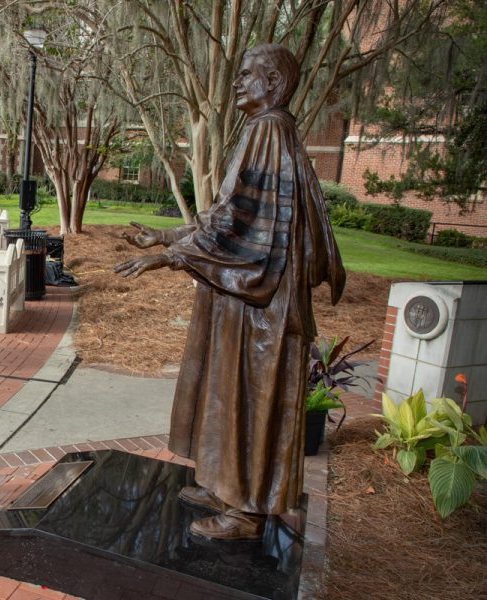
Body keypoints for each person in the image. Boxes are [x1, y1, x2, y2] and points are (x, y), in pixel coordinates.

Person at [114, 44, 345, 541]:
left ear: (276, 84)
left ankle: (244, 511)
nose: (237, 83)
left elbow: (241, 227)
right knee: (231, 389)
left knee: (248, 393)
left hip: (262, 305)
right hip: (250, 301)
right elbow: (230, 217)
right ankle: (226, 487)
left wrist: (167, 254)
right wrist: (167, 237)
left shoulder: (269, 129)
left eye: (248, 75)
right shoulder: (270, 130)